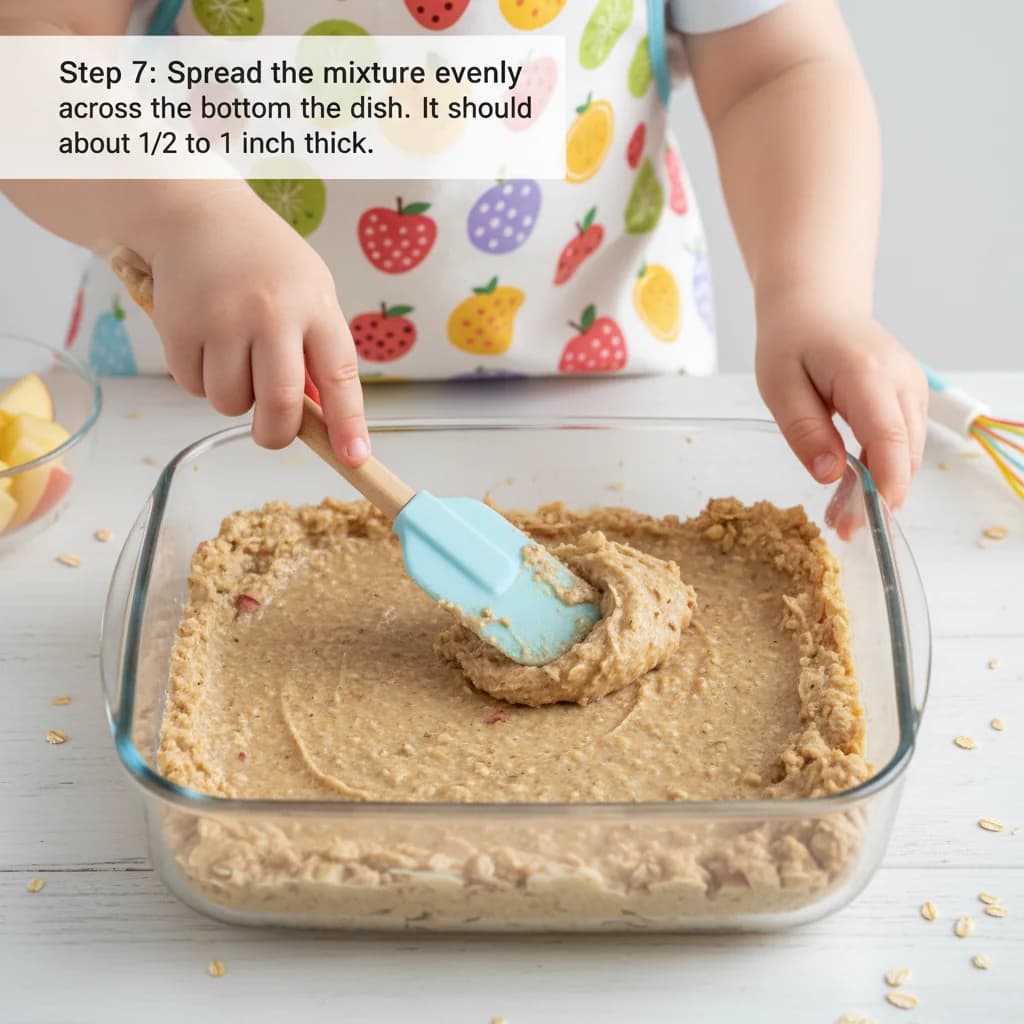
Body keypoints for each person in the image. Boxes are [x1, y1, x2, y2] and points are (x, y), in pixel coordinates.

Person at [0, 0, 926, 509]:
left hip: (612, 402)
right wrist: (187, 215)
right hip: (203, 402)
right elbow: (31, 54)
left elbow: (777, 69)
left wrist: (817, 295)